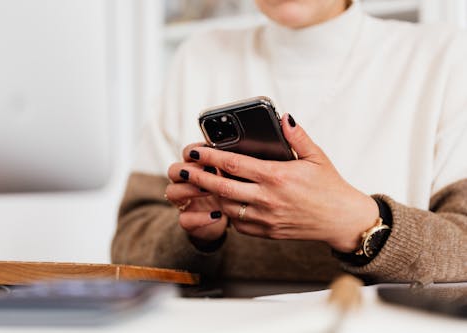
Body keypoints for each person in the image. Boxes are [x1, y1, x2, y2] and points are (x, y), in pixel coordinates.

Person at [112, 0, 467, 284]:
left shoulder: (443, 54)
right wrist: (197, 237)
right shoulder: (200, 56)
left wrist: (356, 223)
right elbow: (128, 244)